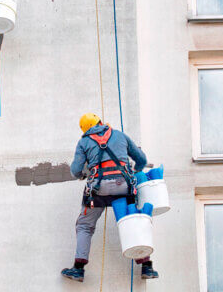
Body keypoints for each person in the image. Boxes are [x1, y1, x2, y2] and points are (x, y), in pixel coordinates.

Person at [61, 113, 159, 282]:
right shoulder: (120, 135)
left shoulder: (84, 142)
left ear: (85, 129)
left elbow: (75, 170)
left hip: (99, 189)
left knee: (85, 225)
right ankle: (146, 266)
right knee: (134, 219)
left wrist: (84, 173)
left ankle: (78, 268)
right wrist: (135, 171)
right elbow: (141, 159)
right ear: (100, 122)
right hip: (124, 186)